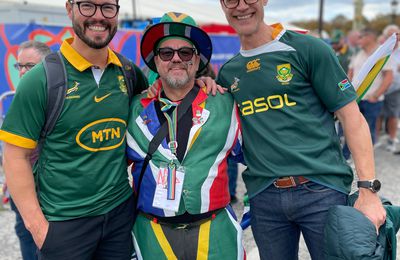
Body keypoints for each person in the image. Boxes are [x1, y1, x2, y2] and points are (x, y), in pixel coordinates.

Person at [216, 1, 386, 259]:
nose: (241, 6)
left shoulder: (309, 49)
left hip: (322, 191)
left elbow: (353, 119)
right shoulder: (229, 73)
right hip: (264, 196)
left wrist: (368, 191)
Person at [0, 0, 149, 259]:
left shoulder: (128, 72)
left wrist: (202, 83)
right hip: (64, 224)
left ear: (117, 11)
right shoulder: (41, 79)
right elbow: (14, 156)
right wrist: (38, 229)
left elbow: (160, 99)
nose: (98, 16)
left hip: (119, 217)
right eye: (88, 6)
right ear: (70, 9)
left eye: (107, 8)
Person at [127, 12, 245, 259]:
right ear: (156, 61)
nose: (176, 59)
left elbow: (262, 159)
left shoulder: (224, 102)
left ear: (197, 60)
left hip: (216, 233)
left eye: (186, 52)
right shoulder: (133, 108)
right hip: (152, 236)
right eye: (167, 53)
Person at [5, 40, 51, 260]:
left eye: (29, 66)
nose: (22, 72)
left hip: (50, 190)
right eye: (19, 66)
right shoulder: (19, 98)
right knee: (25, 237)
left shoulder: (58, 98)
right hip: (23, 189)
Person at [346, 28, 393, 150]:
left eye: (361, 37)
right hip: (354, 99)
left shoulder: (382, 53)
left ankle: (366, 162)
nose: (358, 40)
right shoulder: (357, 54)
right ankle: (348, 157)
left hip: (372, 100)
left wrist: (376, 95)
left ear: (370, 37)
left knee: (368, 131)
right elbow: (349, 75)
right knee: (351, 130)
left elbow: (388, 77)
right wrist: (343, 91)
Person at [376, 25, 400, 152]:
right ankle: (375, 139)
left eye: (397, 35)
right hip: (379, 87)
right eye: (391, 35)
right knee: (378, 114)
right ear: (386, 37)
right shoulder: (381, 50)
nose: (395, 38)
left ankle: (391, 139)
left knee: (393, 114)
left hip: (395, 88)